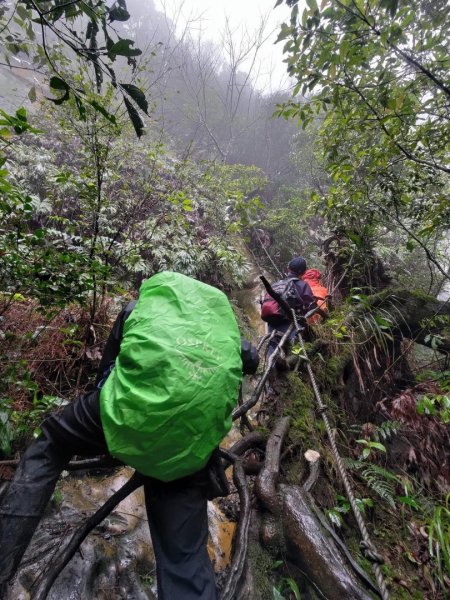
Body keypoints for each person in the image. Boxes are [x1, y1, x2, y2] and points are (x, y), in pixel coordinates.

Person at [0, 271, 259, 599]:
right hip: (187, 446)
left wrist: (106, 431)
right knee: (185, 557)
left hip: (123, 416)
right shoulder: (229, 337)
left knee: (50, 442)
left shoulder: (137, 310)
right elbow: (251, 361)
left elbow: (107, 372)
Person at [261, 256, 318, 357]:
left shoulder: (276, 284)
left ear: (288, 269)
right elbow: (311, 307)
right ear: (303, 272)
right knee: (296, 353)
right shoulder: (302, 285)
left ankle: (271, 370)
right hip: (292, 324)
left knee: (273, 353)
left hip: (272, 324)